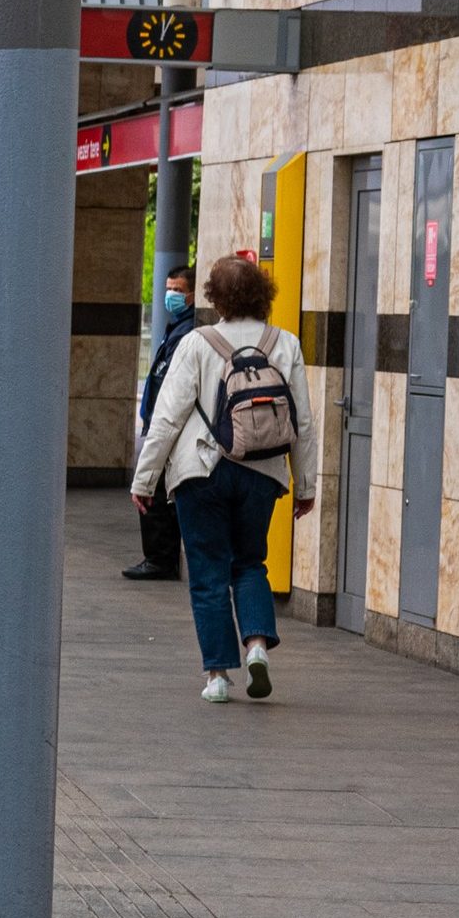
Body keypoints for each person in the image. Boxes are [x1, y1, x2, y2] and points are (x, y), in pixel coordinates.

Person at [133, 256, 318, 702]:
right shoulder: (285, 343)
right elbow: (303, 423)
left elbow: (168, 418)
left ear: (213, 296)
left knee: (208, 570)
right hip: (263, 472)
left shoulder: (197, 343)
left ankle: (217, 675)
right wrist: (306, 485)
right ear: (262, 294)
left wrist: (146, 478)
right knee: (250, 562)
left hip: (202, 471)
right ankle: (256, 645)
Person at [124, 265, 195, 580]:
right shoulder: (177, 327)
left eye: (178, 290)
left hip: (168, 426)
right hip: (159, 422)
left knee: (152, 488)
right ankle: (160, 556)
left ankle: (160, 558)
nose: (171, 295)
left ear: (193, 294)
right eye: (169, 288)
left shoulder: (186, 332)